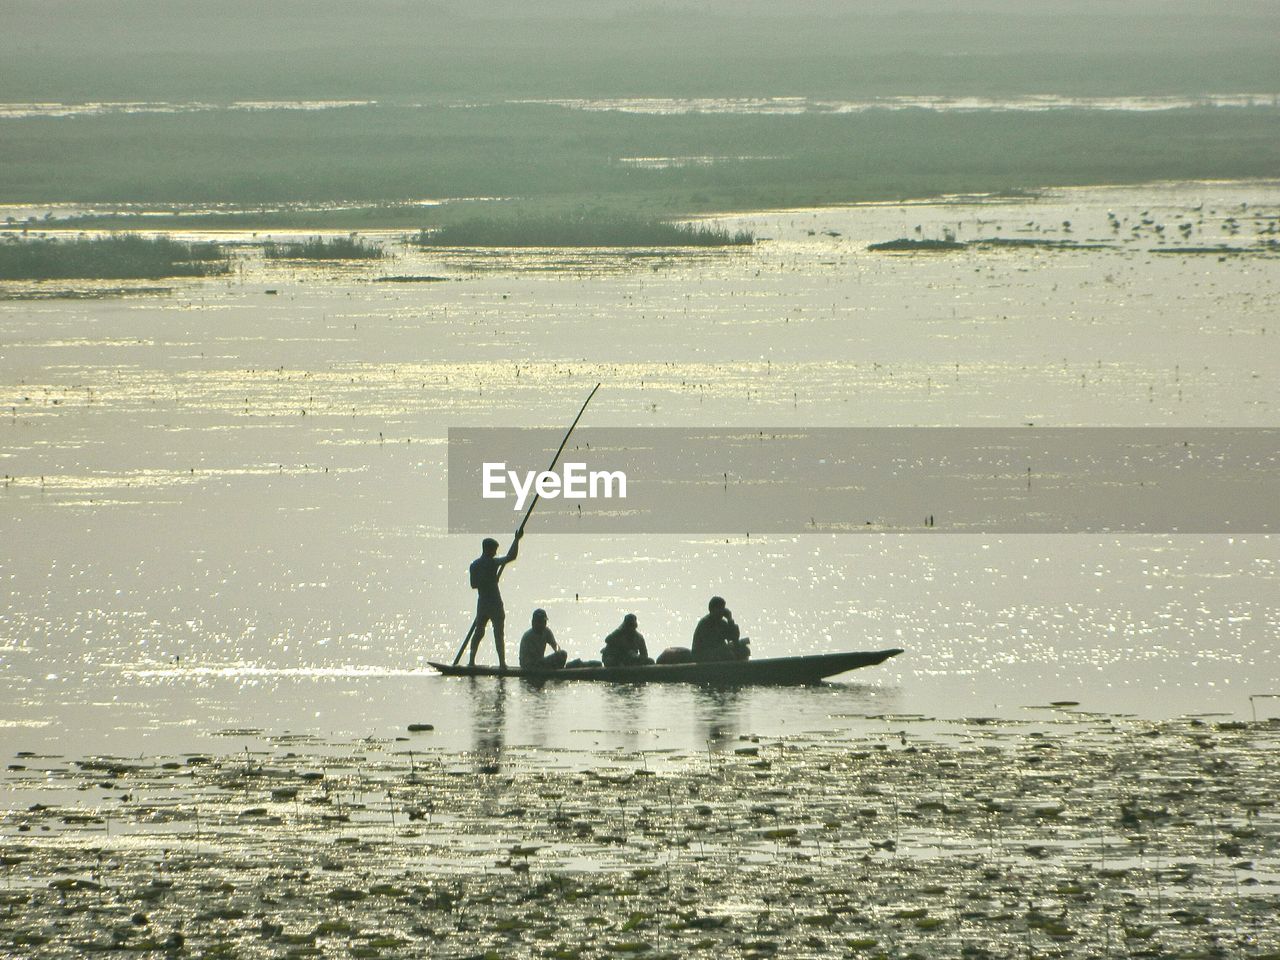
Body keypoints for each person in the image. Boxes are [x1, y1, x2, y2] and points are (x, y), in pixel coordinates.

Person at [467, 531, 521, 669]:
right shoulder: (488, 563)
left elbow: (474, 584)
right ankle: (474, 662)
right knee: (487, 633)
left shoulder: (476, 565)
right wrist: (517, 539)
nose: (496, 553)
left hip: (486, 603)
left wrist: (516, 539)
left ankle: (498, 663)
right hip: (490, 604)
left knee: (485, 632)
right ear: (488, 549)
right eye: (494, 550)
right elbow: (511, 556)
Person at [691, 596, 750, 662]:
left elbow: (734, 637)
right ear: (713, 609)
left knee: (744, 650)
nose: (722, 611)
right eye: (719, 608)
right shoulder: (705, 623)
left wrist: (730, 620)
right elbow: (711, 644)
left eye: (723, 608)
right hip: (702, 655)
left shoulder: (722, 623)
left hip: (717, 652)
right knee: (728, 655)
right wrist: (727, 647)